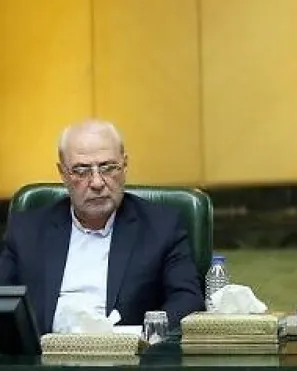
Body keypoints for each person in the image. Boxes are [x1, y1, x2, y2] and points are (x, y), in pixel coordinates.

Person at [0, 120, 204, 332]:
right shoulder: (27, 231)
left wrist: (144, 336)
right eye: (81, 170)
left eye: (108, 168)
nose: (97, 182)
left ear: (124, 165)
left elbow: (188, 299)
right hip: (44, 358)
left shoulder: (162, 227)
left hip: (127, 357)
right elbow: (3, 299)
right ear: (63, 174)